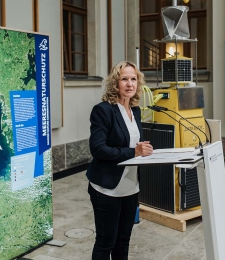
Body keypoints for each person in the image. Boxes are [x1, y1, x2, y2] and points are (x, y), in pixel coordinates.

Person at [86, 61, 153, 260]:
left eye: (134, 79)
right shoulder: (103, 110)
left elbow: (134, 145)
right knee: (106, 242)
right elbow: (98, 149)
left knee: (123, 241)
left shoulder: (136, 110)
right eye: (124, 79)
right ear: (115, 83)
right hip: (107, 188)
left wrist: (144, 151)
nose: (129, 84)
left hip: (131, 187)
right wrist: (134, 152)